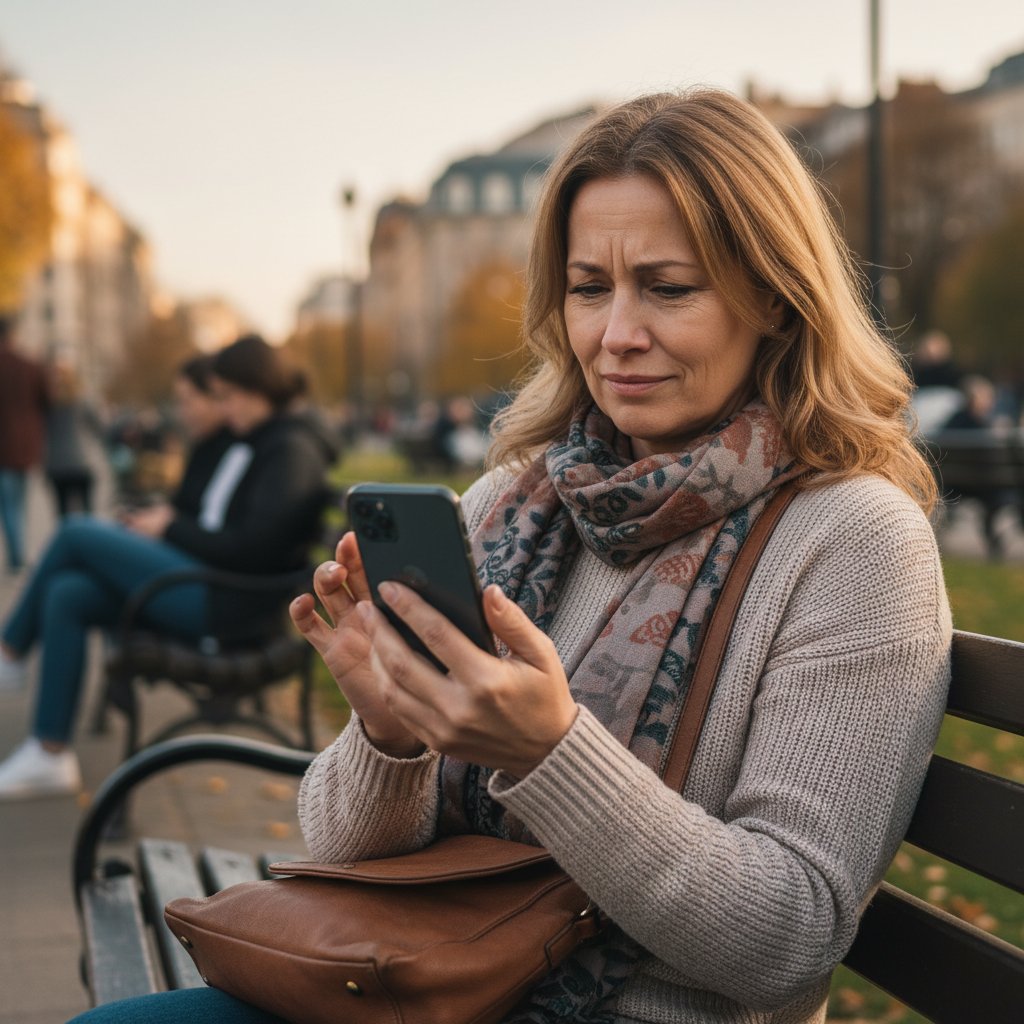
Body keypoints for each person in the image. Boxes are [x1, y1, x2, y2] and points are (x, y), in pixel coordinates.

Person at [69, 90, 951, 1024]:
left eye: (669, 287)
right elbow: (336, 846)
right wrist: (390, 734)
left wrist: (549, 751)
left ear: (775, 296)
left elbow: (787, 937)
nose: (616, 334)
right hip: (419, 984)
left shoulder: (854, 542)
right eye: (588, 288)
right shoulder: (514, 501)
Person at [0, 335, 338, 798]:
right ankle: (49, 753)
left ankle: (11, 652)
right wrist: (168, 525)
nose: (224, 408)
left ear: (257, 387)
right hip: (202, 580)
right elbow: (218, 522)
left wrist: (169, 529)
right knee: (69, 594)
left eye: (227, 396)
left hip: (228, 605)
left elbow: (250, 549)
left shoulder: (290, 449)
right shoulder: (260, 440)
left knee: (75, 531)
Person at [0, 316, 49, 573]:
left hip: (3, 449)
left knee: (8, 504)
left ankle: (16, 554)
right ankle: (19, 552)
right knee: (19, 501)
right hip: (27, 446)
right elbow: (46, 402)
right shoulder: (30, 366)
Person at [42, 355, 104, 520]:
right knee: (87, 514)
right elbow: (99, 426)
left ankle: (70, 544)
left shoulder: (48, 402)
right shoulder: (83, 399)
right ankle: (87, 544)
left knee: (62, 514)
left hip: (56, 464)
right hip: (81, 461)